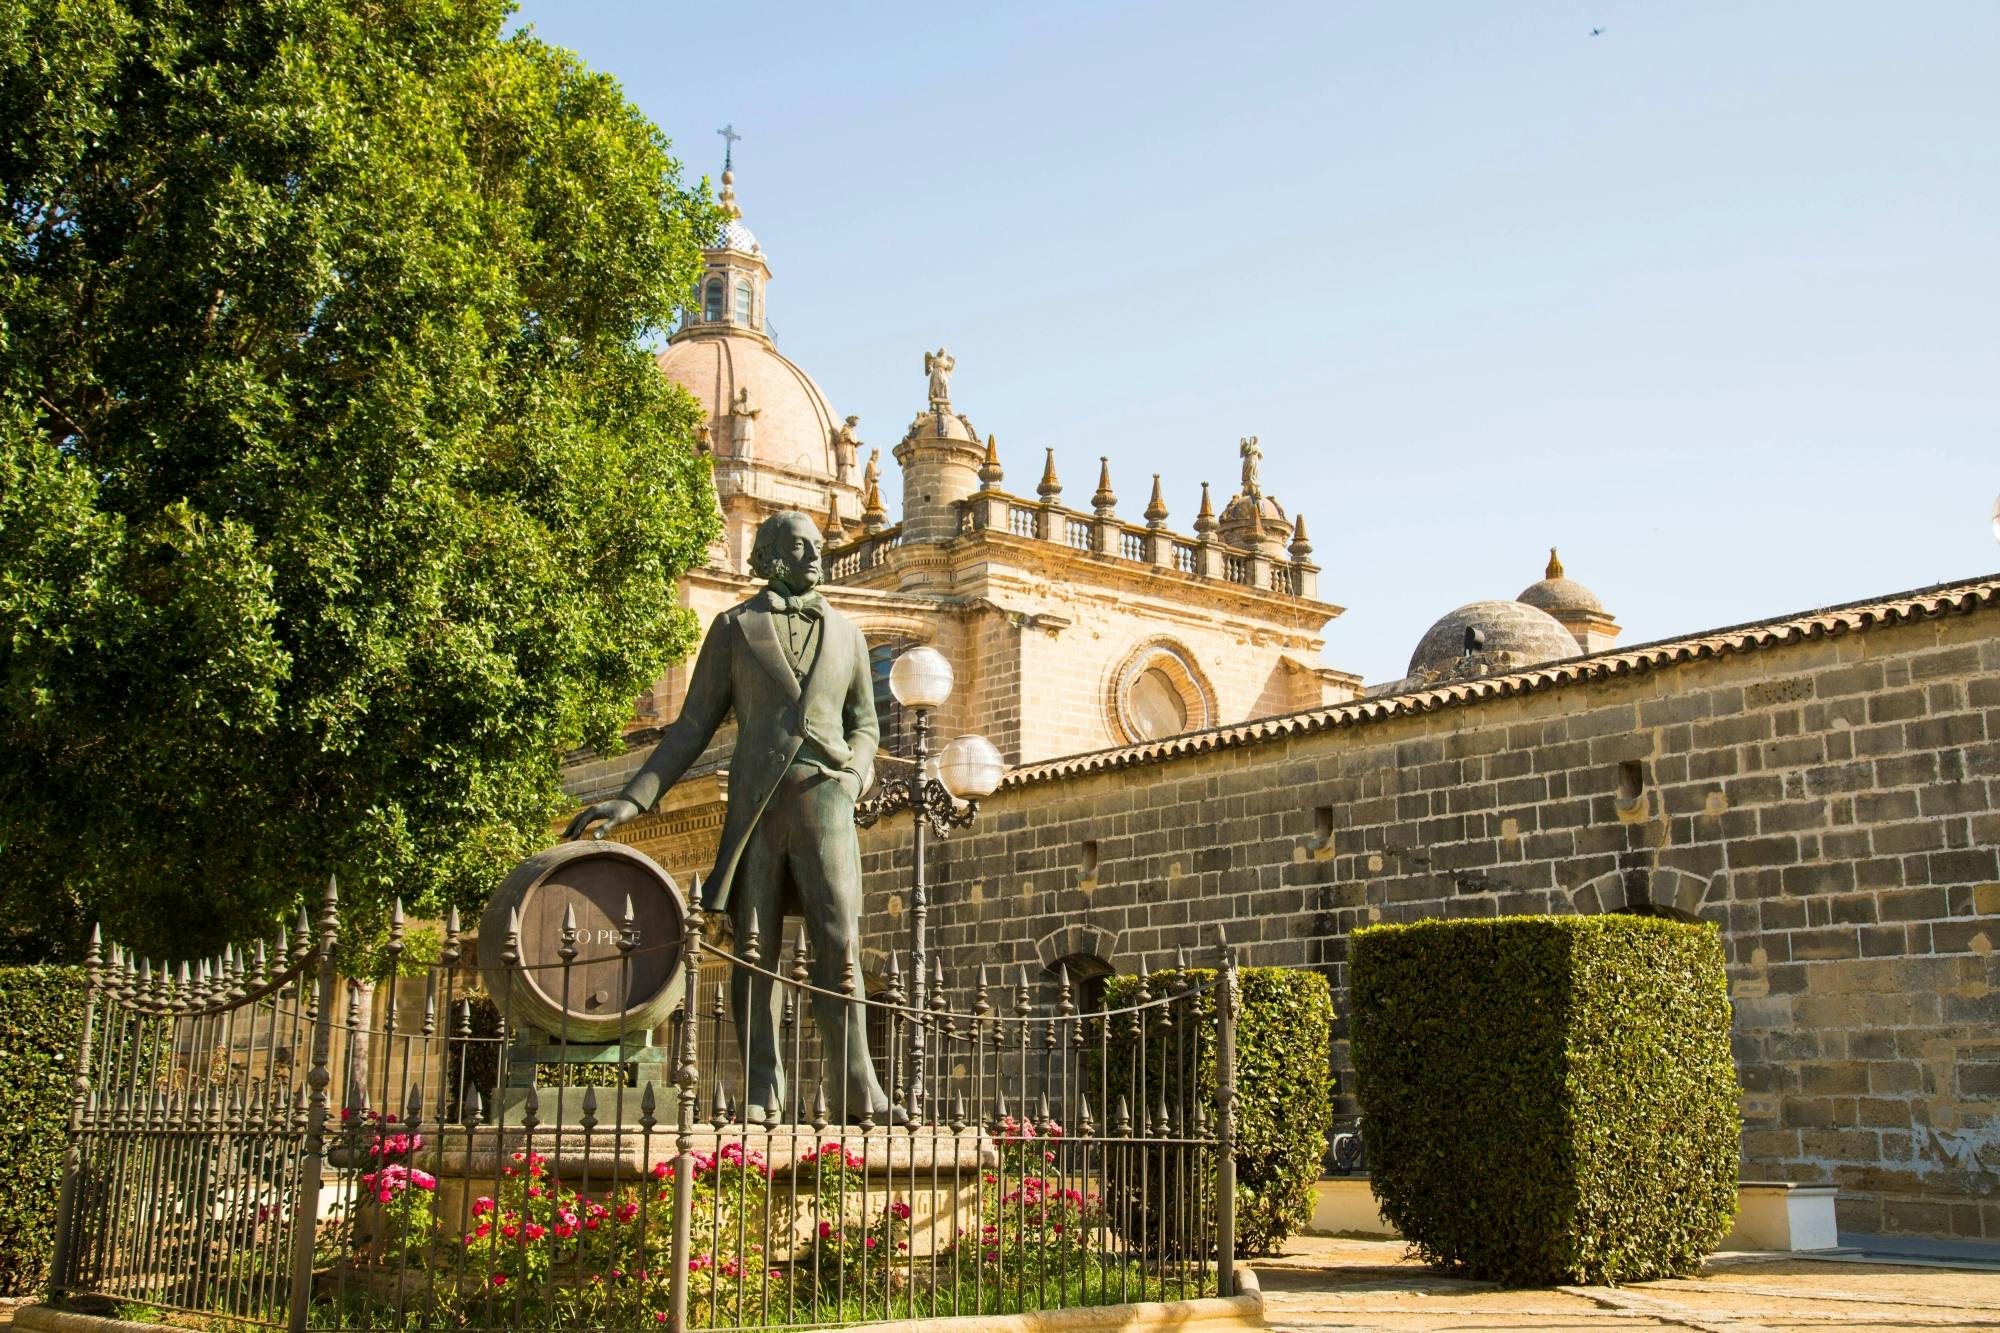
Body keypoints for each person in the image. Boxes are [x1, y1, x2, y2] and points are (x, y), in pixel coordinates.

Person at [564, 510, 897, 1125]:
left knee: (841, 943)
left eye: (817, 547)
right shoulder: (734, 627)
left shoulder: (850, 635)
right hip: (755, 806)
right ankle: (762, 1090)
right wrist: (635, 798)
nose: (813, 557)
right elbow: (692, 725)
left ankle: (859, 1087)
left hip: (827, 798)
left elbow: (866, 725)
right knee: (754, 947)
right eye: (798, 548)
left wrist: (855, 775)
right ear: (768, 554)